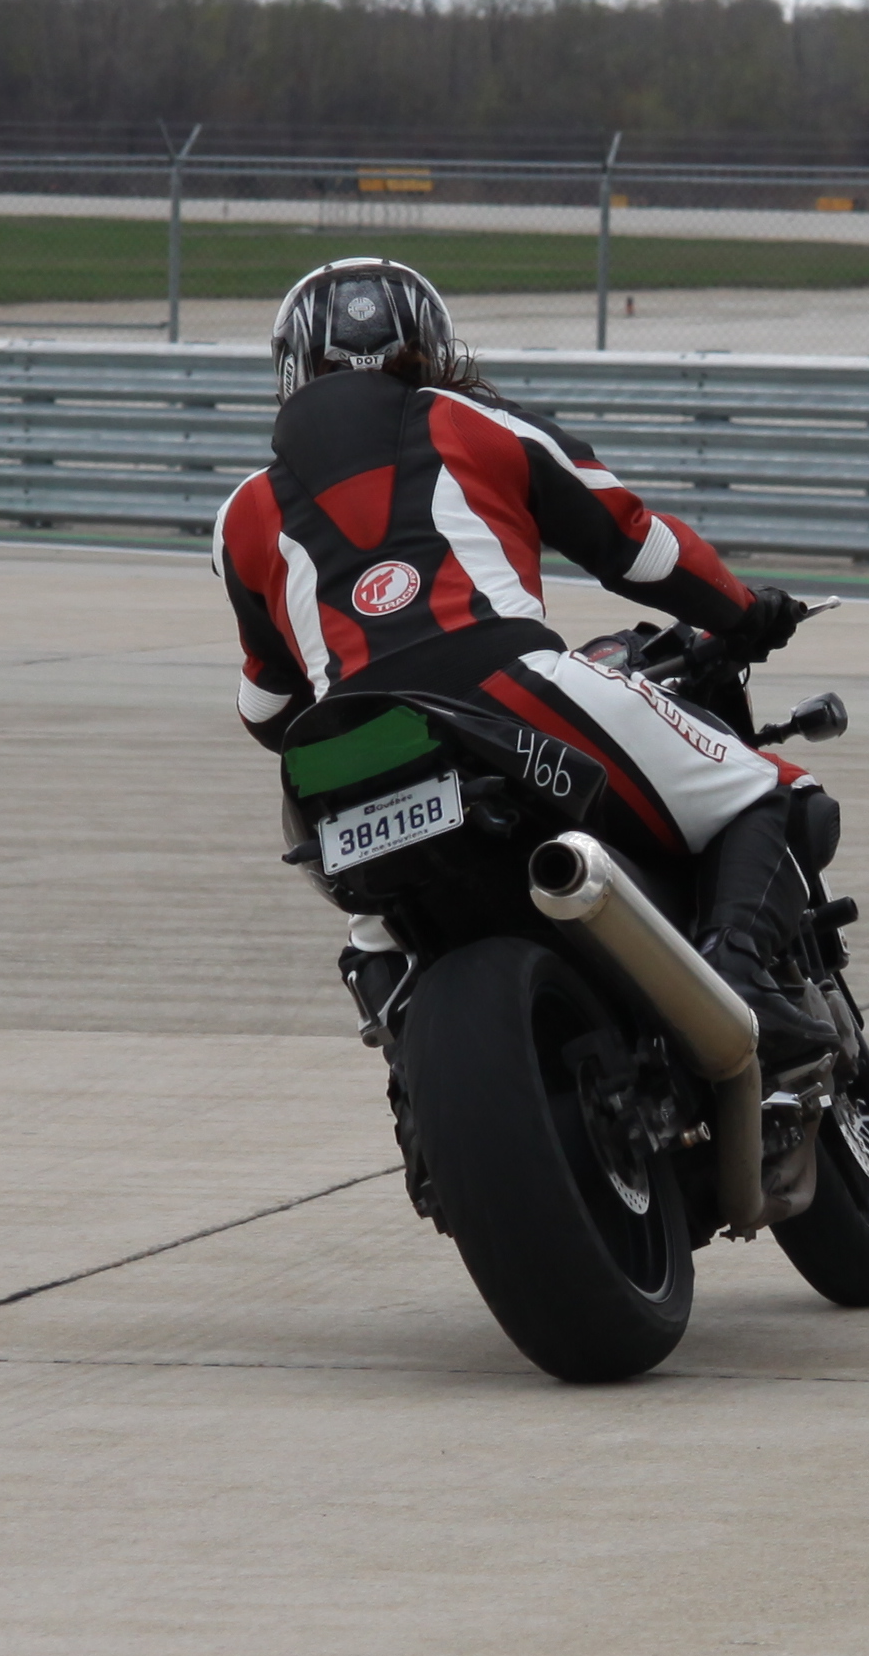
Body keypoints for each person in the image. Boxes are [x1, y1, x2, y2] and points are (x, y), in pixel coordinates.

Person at [212, 257, 836, 1062]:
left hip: (345, 746)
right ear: (432, 347)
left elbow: (266, 708)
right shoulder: (477, 422)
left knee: (375, 930)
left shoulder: (242, 515)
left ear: (292, 370)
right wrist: (747, 612)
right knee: (776, 792)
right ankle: (740, 983)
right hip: (508, 685)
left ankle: (411, 1065)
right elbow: (640, 547)